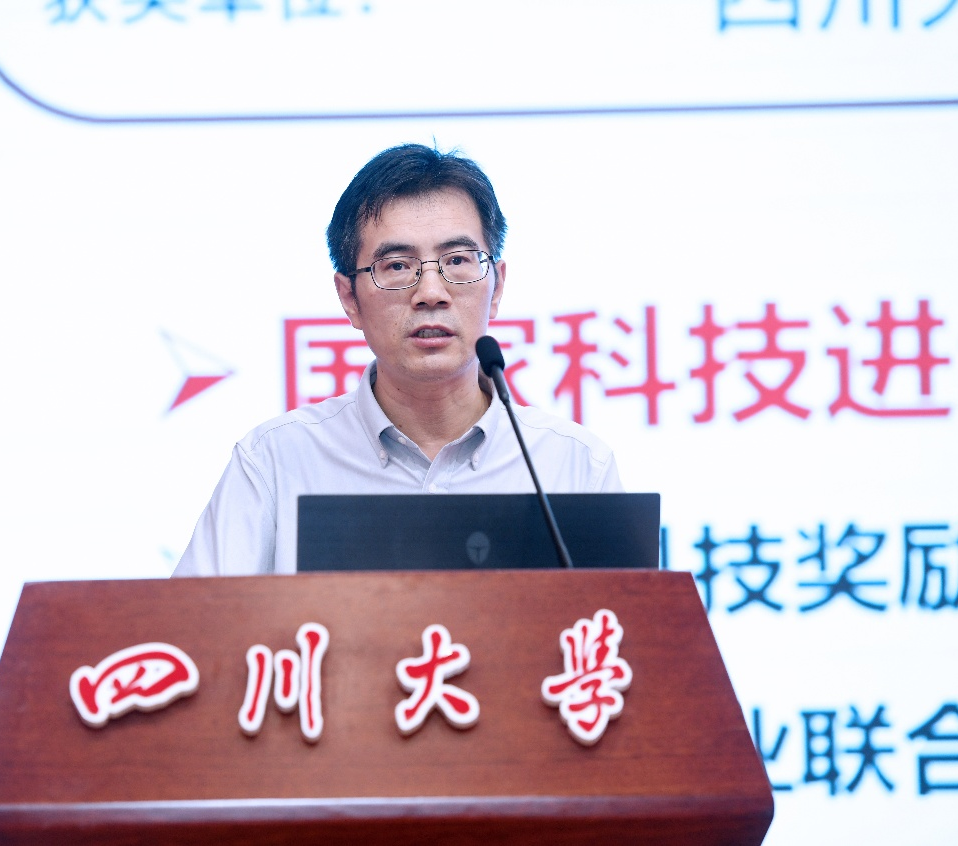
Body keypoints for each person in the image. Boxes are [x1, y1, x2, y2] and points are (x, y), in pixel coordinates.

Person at [173, 143, 622, 577]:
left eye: (458, 260)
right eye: (397, 266)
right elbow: (193, 623)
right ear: (349, 298)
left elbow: (625, 625)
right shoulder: (274, 463)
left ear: (497, 286)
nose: (431, 293)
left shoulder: (574, 466)